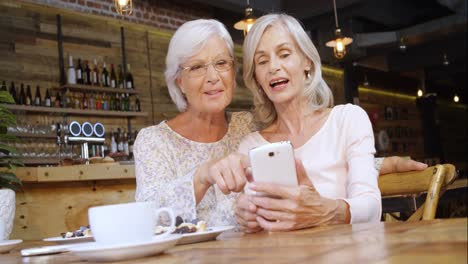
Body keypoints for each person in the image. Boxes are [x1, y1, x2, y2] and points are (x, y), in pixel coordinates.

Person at [133, 18, 427, 228]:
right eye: (197, 67)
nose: (213, 76)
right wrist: (202, 177)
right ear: (179, 80)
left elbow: (308, 158)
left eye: (222, 63)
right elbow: (145, 219)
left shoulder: (247, 127)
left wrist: (378, 164)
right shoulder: (155, 141)